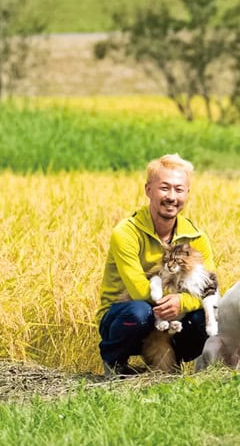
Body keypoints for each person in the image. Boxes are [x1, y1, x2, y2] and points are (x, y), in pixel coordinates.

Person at [96, 153, 215, 377]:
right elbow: (139, 291)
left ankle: (169, 365)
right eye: (164, 188)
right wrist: (174, 301)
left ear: (187, 194)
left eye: (179, 189)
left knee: (205, 318)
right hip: (125, 314)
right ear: (148, 190)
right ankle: (114, 361)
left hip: (171, 319)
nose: (171, 196)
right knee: (140, 313)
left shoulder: (197, 237)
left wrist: (182, 302)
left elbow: (210, 287)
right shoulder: (126, 232)